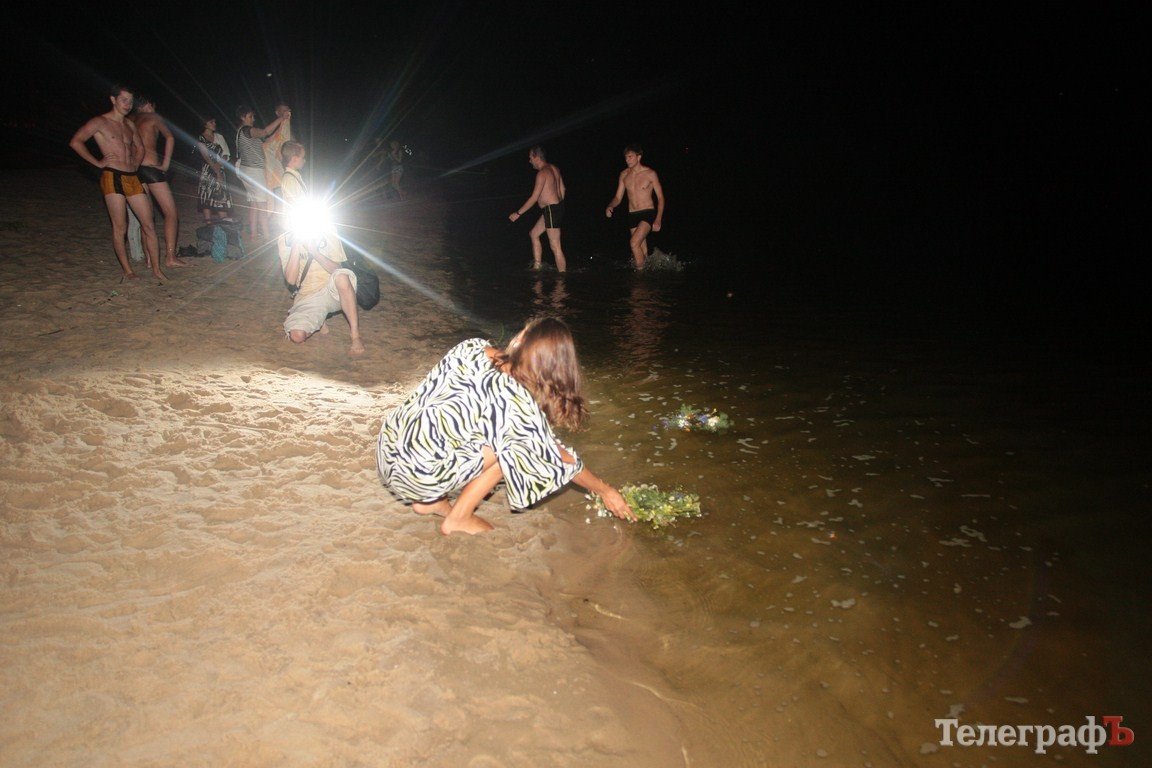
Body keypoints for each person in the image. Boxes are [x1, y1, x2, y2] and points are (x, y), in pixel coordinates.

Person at [376, 316, 636, 535]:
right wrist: (605, 490)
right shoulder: (519, 406)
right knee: (508, 450)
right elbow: (558, 456)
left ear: (520, 339)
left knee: (462, 426)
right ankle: (458, 518)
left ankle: (429, 502)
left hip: (388, 448)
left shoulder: (472, 348)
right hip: (418, 476)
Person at [68, 84, 164, 281]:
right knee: (120, 226)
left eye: (130, 100)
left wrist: (136, 164)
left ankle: (156, 269)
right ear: (113, 100)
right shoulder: (100, 122)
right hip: (112, 175)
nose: (128, 104)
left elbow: (140, 148)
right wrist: (97, 162)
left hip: (132, 176)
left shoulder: (129, 125)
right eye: (124, 100)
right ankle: (128, 270)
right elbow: (76, 141)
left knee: (149, 224)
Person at [277, 141, 365, 356]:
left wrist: (315, 251)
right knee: (297, 337)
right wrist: (298, 244)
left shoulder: (326, 228)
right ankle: (315, 318)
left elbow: (337, 267)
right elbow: (290, 280)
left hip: (330, 289)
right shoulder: (286, 238)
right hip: (308, 295)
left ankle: (355, 337)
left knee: (343, 277)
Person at [131, 95, 188, 268]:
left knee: (145, 219)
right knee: (171, 214)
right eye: (153, 105)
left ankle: (150, 259)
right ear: (147, 104)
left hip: (135, 170)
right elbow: (170, 137)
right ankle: (170, 256)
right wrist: (165, 164)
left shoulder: (131, 120)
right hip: (151, 168)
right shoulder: (153, 117)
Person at [605, 143, 665, 270]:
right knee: (641, 250)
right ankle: (648, 277)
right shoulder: (624, 175)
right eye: (626, 157)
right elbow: (618, 197)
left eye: (630, 157)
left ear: (639, 157)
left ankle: (640, 277)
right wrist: (610, 206)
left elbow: (661, 198)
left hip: (648, 213)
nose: (627, 160)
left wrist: (658, 219)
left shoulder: (650, 174)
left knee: (633, 243)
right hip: (632, 215)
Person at [234, 105, 288, 240]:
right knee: (263, 205)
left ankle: (253, 234)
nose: (253, 119)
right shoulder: (247, 130)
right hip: (254, 171)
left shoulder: (241, 132)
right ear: (242, 117)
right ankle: (267, 235)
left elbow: (267, 140)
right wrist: (281, 118)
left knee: (254, 203)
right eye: (250, 116)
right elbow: (264, 132)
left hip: (245, 170)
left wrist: (280, 129)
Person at [509, 146, 567, 272]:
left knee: (555, 246)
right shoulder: (554, 168)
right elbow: (563, 189)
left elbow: (534, 198)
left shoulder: (542, 173)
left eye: (530, 157)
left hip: (552, 210)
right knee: (534, 234)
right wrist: (558, 205)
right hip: (553, 209)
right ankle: (537, 266)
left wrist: (518, 213)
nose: (529, 161)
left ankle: (563, 280)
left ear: (536, 157)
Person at [195, 117, 233, 224]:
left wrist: (219, 166)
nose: (214, 123)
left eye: (214, 121)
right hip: (208, 170)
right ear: (204, 123)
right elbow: (206, 156)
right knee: (207, 195)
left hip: (220, 167)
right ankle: (209, 224)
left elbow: (226, 154)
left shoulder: (219, 137)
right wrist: (216, 170)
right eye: (211, 122)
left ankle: (224, 221)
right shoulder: (201, 138)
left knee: (221, 195)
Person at [263, 103, 293, 215]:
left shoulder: (286, 125)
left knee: (282, 187)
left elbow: (286, 141)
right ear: (277, 113)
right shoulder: (276, 124)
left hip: (280, 163)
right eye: (283, 110)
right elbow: (267, 139)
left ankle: (278, 215)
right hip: (270, 163)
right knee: (271, 188)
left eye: (288, 109)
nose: (287, 111)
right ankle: (271, 215)